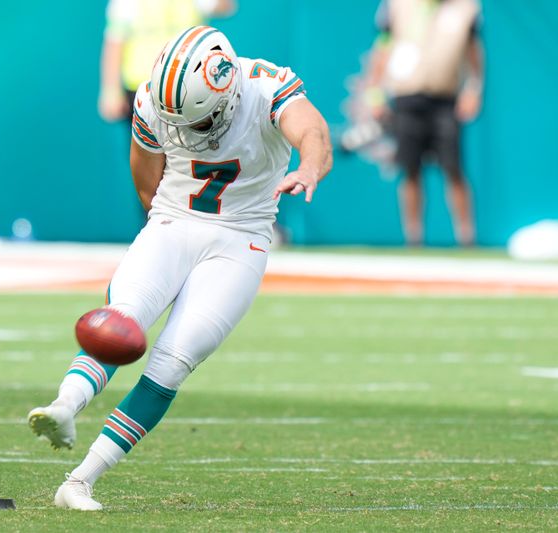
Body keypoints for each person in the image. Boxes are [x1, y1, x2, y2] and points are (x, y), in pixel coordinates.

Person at [27, 26, 332, 511]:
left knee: (172, 361)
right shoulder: (155, 97)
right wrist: (165, 230)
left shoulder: (264, 86)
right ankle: (64, 407)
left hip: (241, 238)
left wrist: (309, 169)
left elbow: (312, 131)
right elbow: (146, 179)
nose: (188, 133)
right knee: (121, 321)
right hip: (173, 221)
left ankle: (79, 481)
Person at [373, 0, 484, 246]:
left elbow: (474, 49)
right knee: (410, 170)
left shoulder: (466, 8)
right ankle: (413, 238)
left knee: (454, 169)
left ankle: (466, 238)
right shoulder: (396, 5)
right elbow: (383, 46)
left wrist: (474, 88)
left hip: (445, 99)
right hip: (407, 97)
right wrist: (375, 91)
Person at [98, 0, 237, 124]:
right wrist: (111, 91)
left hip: (189, 87)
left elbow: (225, 6)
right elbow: (114, 43)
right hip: (143, 89)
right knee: (146, 148)